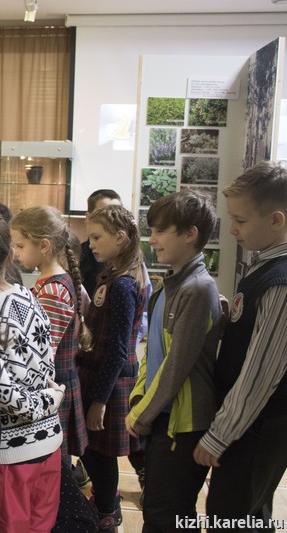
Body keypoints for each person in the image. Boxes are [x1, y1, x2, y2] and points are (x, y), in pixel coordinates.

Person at [194, 161, 287, 532]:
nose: (232, 229)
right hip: (248, 426)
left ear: (276, 220)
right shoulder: (265, 265)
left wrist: (220, 435)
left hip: (258, 428)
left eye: (241, 220)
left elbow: (260, 373)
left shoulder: (280, 282)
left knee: (232, 516)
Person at [0, 208, 65, 533]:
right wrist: (51, 398)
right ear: (9, 254)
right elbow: (44, 367)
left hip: (11, 459)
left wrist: (51, 399)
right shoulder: (28, 297)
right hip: (48, 447)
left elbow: (8, 399)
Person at [124, 191, 222, 532]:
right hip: (162, 419)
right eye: (152, 230)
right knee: (157, 510)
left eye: (161, 230)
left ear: (190, 234)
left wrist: (141, 414)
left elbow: (176, 367)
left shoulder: (198, 289)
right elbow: (153, 353)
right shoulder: (167, 286)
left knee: (167, 516)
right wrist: (139, 401)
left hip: (183, 426)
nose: (152, 239)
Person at [10, 206, 99, 532]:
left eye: (21, 245)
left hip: (53, 389)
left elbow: (41, 352)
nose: (16, 252)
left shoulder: (54, 290)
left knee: (53, 474)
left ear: (44, 246)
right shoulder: (50, 283)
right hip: (51, 388)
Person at [79, 205, 148, 532]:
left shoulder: (123, 284)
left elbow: (119, 348)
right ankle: (107, 502)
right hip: (97, 374)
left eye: (97, 237)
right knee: (91, 449)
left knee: (99, 452)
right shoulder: (112, 274)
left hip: (109, 381)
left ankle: (107, 511)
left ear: (120, 237)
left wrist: (99, 400)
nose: (91, 244)